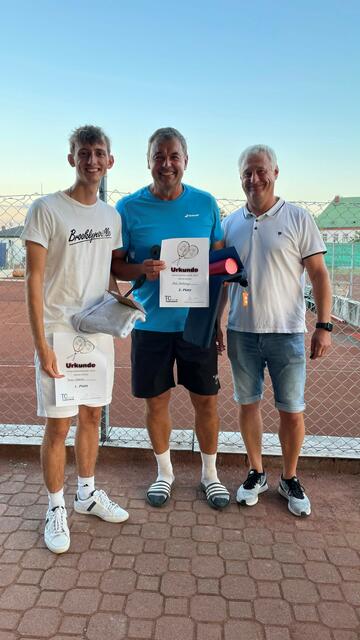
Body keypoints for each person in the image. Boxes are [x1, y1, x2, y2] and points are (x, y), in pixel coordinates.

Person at [21, 125, 129, 554]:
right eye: (84, 153)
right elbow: (33, 280)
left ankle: (85, 495)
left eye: (99, 152)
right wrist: (41, 345)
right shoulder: (46, 209)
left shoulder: (111, 217)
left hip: (96, 333)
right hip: (58, 335)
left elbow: (104, 274)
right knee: (58, 424)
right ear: (72, 159)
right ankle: (54, 507)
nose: (92, 160)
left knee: (90, 417)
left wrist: (121, 305)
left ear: (110, 161)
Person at [111, 127, 230, 510]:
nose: (166, 164)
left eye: (173, 156)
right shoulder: (128, 208)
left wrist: (216, 319)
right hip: (150, 325)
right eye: (158, 157)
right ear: (148, 162)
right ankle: (165, 473)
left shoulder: (206, 203)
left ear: (185, 160)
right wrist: (141, 268)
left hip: (196, 326)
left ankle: (209, 476)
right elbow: (116, 267)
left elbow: (218, 266)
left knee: (206, 402)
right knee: (157, 402)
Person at [218, 144, 332, 517]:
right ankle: (256, 472)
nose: (254, 179)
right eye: (247, 173)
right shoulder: (231, 223)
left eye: (260, 170)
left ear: (275, 172)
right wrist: (219, 323)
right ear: (241, 179)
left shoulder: (298, 218)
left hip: (286, 332)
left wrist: (324, 326)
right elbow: (223, 281)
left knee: (292, 411)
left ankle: (290, 477)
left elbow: (318, 274)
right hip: (242, 332)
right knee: (247, 404)